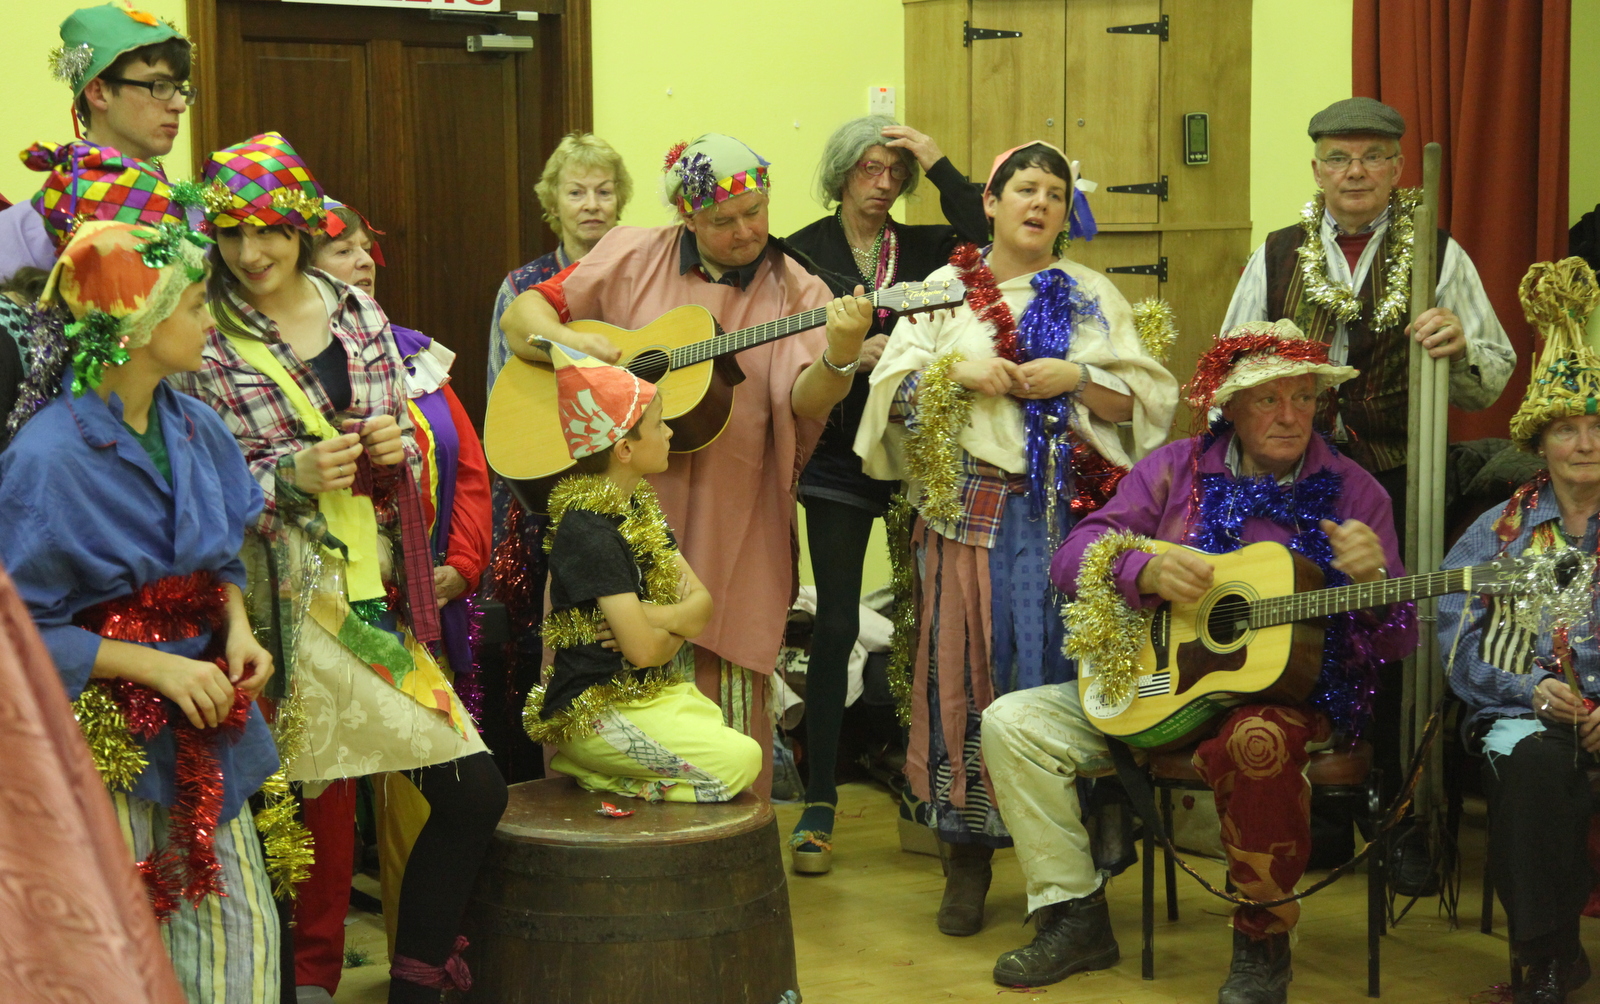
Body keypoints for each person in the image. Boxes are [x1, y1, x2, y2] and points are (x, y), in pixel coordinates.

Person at [980, 320, 1416, 1002]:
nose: (1290, 415)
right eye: (1268, 399)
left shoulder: (1355, 491)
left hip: (1288, 700)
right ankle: (1074, 915)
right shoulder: (1175, 470)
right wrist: (1143, 571)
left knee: (1257, 739)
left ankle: (1263, 942)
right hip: (1158, 689)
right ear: (1230, 408)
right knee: (1012, 723)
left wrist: (1376, 583)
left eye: (1304, 397)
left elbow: (1399, 644)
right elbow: (1072, 557)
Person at [168, 133, 506, 1004]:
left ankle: (416, 982)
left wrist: (395, 451)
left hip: (364, 598)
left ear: (301, 226)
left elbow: (401, 446)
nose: (250, 253)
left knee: (472, 791)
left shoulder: (355, 310)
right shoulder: (203, 326)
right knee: (279, 826)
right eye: (232, 234)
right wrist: (285, 477)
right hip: (268, 605)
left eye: (268, 232)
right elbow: (190, 481)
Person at [854, 141, 1177, 935]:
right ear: (990, 203)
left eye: (1055, 195)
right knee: (961, 679)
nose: (1040, 204)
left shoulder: (1092, 294)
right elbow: (889, 392)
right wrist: (953, 374)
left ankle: (1067, 879)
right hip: (968, 517)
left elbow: (1143, 402)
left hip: (1068, 520)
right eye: (1025, 189)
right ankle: (965, 857)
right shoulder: (941, 291)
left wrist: (1079, 380)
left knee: (1060, 677)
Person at [498, 133, 871, 792]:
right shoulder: (628, 253)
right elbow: (525, 315)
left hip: (735, 511)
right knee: (602, 665)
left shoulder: (800, 287)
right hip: (618, 513)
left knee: (722, 694)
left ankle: (723, 844)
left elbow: (806, 400)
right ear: (687, 217)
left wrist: (840, 354)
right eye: (723, 220)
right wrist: (568, 343)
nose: (746, 231)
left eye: (755, 211)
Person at [1221, 95, 1515, 891]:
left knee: (1396, 637)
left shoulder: (1438, 251)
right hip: (1293, 478)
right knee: (1298, 630)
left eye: (1374, 157)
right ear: (1316, 169)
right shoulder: (1277, 254)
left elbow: (1492, 373)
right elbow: (1231, 365)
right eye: (1339, 158)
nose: (1356, 172)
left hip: (1398, 473)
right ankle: (1315, 807)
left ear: (1396, 169)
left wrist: (1458, 342)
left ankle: (1403, 814)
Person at [0, 219, 281, 1002]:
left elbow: (221, 560)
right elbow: (18, 635)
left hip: (207, 714)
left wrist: (239, 628)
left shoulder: (196, 426)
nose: (209, 320)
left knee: (241, 938)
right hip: (103, 736)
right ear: (137, 328)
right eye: (195, 305)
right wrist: (153, 666)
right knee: (124, 936)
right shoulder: (45, 460)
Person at [781, 117, 987, 873]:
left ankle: (925, 785)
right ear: (842, 173)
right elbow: (781, 344)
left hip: (915, 457)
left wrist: (938, 161)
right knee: (836, 623)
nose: (884, 183)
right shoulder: (802, 250)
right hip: (837, 458)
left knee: (931, 625)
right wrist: (840, 352)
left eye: (896, 173)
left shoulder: (928, 246)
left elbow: (987, 235)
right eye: (870, 169)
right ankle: (820, 800)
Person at [312, 197, 494, 966]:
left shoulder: (414, 356)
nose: (361, 261)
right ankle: (314, 968)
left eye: (365, 248)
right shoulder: (282, 370)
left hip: (423, 613)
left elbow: (469, 467)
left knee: (439, 795)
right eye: (340, 250)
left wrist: (463, 563)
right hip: (328, 614)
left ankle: (420, 961)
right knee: (325, 802)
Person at [1442, 257, 1600, 1004]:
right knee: (1536, 769)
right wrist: (1531, 690)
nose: (1586, 444)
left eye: (1598, 426)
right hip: (1528, 716)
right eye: (1568, 429)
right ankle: (1549, 959)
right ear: (1541, 444)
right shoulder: (1495, 533)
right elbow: (1456, 644)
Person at [522, 342, 759, 800]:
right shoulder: (589, 531)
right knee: (739, 762)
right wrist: (676, 625)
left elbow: (703, 605)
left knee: (720, 729)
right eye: (659, 424)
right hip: (597, 709)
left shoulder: (638, 510)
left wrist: (652, 615)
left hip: (646, 694)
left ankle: (611, 772)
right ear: (625, 448)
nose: (669, 433)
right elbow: (646, 650)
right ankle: (597, 769)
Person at [485, 133, 632, 778]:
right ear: (554, 203)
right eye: (576, 191)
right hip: (545, 481)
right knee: (541, 633)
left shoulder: (635, 276)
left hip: (625, 477)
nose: (591, 204)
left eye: (604, 191)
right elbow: (506, 394)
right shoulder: (522, 287)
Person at [0, 2, 194, 280]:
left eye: (181, 89)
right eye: (160, 86)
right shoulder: (20, 235)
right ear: (99, 92)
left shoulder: (197, 217)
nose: (179, 105)